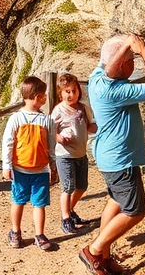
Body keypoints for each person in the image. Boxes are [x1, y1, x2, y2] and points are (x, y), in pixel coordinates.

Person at [80, 34, 145, 275]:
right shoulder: (117, 91)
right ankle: (95, 250)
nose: (135, 64)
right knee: (135, 211)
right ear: (121, 66)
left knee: (117, 201)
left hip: (108, 158)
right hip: (121, 160)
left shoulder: (96, 78)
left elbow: (107, 65)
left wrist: (130, 47)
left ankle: (104, 256)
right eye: (132, 60)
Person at [2, 76, 58, 251]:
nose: (45, 98)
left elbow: (51, 145)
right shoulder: (16, 118)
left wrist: (53, 165)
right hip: (20, 170)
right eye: (43, 95)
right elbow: (8, 142)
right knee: (18, 201)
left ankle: (39, 235)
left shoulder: (46, 120)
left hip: (41, 170)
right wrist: (7, 165)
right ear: (36, 97)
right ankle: (15, 232)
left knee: (39, 204)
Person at [52, 73, 97, 234]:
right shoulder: (58, 110)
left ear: (79, 91)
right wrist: (59, 138)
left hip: (81, 154)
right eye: (67, 92)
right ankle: (65, 219)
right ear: (61, 93)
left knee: (82, 186)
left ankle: (69, 210)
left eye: (74, 91)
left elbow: (91, 126)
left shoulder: (84, 109)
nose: (71, 95)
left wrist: (97, 128)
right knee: (68, 187)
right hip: (65, 155)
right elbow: (50, 130)